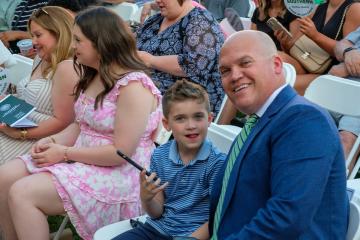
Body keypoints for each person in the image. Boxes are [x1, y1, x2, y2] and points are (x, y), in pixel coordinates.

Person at [0, 6, 162, 240]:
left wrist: (64, 153)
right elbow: (81, 125)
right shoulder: (93, 74)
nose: (73, 45)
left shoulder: (134, 86)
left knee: (23, 193)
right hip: (80, 155)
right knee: (5, 177)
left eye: (78, 40)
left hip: (119, 172)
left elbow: (121, 152)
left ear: (101, 42)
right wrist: (51, 141)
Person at [207, 31, 347, 239]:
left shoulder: (303, 119)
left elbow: (287, 217)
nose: (234, 76)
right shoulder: (261, 119)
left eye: (245, 63)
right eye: (225, 70)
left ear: (276, 65)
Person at [113, 79, 225, 240]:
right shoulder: (160, 156)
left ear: (209, 119)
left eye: (198, 117)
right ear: (166, 124)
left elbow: (217, 219)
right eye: (180, 118)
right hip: (156, 229)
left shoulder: (218, 163)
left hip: (193, 236)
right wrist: (147, 198)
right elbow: (157, 212)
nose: (191, 125)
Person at [0, 6, 77, 165]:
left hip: (40, 141)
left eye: (38, 35)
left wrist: (22, 134)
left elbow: (64, 122)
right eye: (32, 35)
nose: (33, 41)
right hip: (18, 125)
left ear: (58, 33)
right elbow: (26, 95)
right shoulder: (42, 57)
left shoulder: (68, 68)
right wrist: (6, 100)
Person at [136, 0, 225, 117]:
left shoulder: (201, 22)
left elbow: (194, 64)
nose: (158, 0)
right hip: (144, 91)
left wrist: (151, 60)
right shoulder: (156, 19)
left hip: (183, 101)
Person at [276, 0, 360, 95]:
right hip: (307, 61)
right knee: (275, 58)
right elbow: (298, 45)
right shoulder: (318, 7)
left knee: (281, 84)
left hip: (330, 72)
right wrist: (285, 44)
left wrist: (315, 35)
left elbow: (347, 54)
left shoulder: (354, 9)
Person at [329, 27, 360, 172]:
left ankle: (334, 191)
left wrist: (347, 68)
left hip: (356, 103)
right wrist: (349, 52)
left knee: (345, 140)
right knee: (299, 125)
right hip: (333, 90)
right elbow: (340, 45)